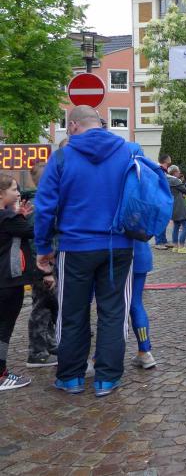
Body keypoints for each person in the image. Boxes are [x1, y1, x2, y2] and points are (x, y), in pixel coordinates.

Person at [35, 105, 138, 397]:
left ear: (72, 126)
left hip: (75, 246)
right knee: (113, 312)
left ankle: (71, 378)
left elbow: (45, 207)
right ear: (100, 123)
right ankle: (107, 378)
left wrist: (43, 248)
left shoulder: (62, 157)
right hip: (118, 245)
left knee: (72, 312)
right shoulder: (129, 151)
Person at [0, 174, 36, 390]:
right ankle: (1, 374)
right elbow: (33, 231)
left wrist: (17, 214)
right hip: (9, 281)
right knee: (4, 328)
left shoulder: (8, 217)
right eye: (14, 189)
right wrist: (20, 216)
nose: (18, 193)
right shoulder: (7, 218)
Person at [25, 162, 59, 368]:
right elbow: (37, 241)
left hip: (47, 265)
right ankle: (37, 352)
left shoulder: (45, 203)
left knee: (50, 306)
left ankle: (50, 344)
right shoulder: (39, 207)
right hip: (43, 268)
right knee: (41, 308)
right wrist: (46, 271)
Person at [129, 239, 157, 368]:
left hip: (121, 257)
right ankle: (144, 351)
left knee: (112, 307)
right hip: (141, 253)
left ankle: (99, 357)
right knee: (136, 304)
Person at [166, 165, 186, 254]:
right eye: (178, 171)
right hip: (179, 205)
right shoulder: (175, 180)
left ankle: (175, 246)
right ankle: (181, 246)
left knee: (176, 226)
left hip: (172, 205)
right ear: (175, 172)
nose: (179, 172)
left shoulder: (166, 179)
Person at [153, 153, 172, 249]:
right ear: (166, 160)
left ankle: (163, 241)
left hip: (162, 197)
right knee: (160, 219)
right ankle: (158, 242)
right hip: (159, 198)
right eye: (169, 158)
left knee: (163, 219)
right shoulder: (158, 169)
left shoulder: (163, 170)